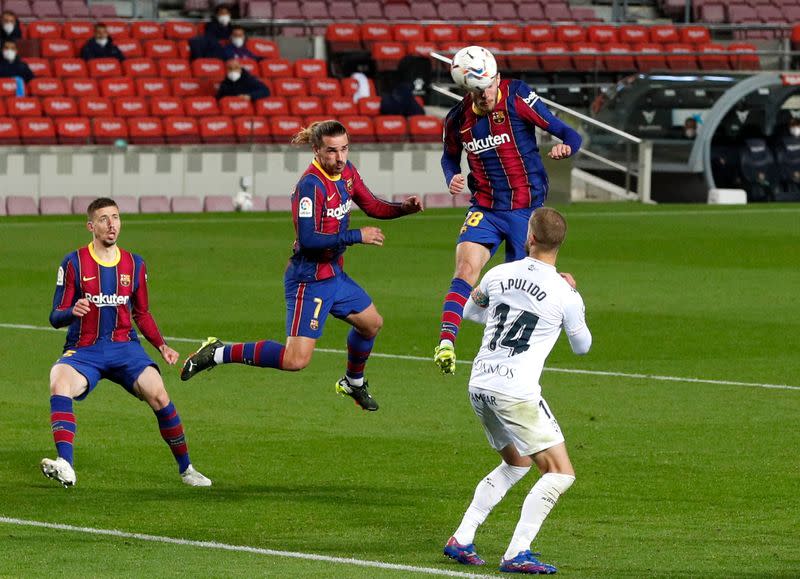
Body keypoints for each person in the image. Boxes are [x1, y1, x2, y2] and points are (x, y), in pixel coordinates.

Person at [180, 120, 423, 412]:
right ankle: (219, 352)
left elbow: (372, 204)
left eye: (344, 149)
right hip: (309, 279)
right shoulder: (310, 185)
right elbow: (308, 239)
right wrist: (356, 235)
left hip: (334, 274)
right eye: (332, 151)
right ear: (316, 150)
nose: (340, 157)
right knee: (295, 360)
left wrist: (402, 209)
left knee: (371, 323)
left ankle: (353, 383)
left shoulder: (346, 172)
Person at [443, 207, 591, 574]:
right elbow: (582, 345)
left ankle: (462, 538)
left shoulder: (498, 273)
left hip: (480, 383)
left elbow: (469, 312)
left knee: (517, 462)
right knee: (560, 473)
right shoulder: (564, 292)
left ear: (530, 238)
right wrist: (576, 299)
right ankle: (517, 552)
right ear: (560, 243)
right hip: (516, 392)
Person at [42, 197, 211, 488]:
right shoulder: (73, 262)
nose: (112, 224)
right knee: (59, 379)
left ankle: (187, 469)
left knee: (158, 393)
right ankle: (65, 464)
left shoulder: (135, 264)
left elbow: (142, 313)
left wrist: (162, 346)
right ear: (90, 225)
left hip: (125, 348)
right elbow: (55, 316)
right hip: (85, 351)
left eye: (116, 217)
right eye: (104, 218)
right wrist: (72, 312)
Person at [434, 46, 582, 375]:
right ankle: (446, 342)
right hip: (485, 206)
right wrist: (451, 176)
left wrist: (567, 146)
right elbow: (448, 156)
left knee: (517, 294)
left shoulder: (517, 96)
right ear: (466, 90)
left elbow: (569, 131)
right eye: (478, 89)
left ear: (497, 77)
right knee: (465, 270)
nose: (486, 94)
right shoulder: (457, 119)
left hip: (524, 210)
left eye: (489, 85)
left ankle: (507, 365)